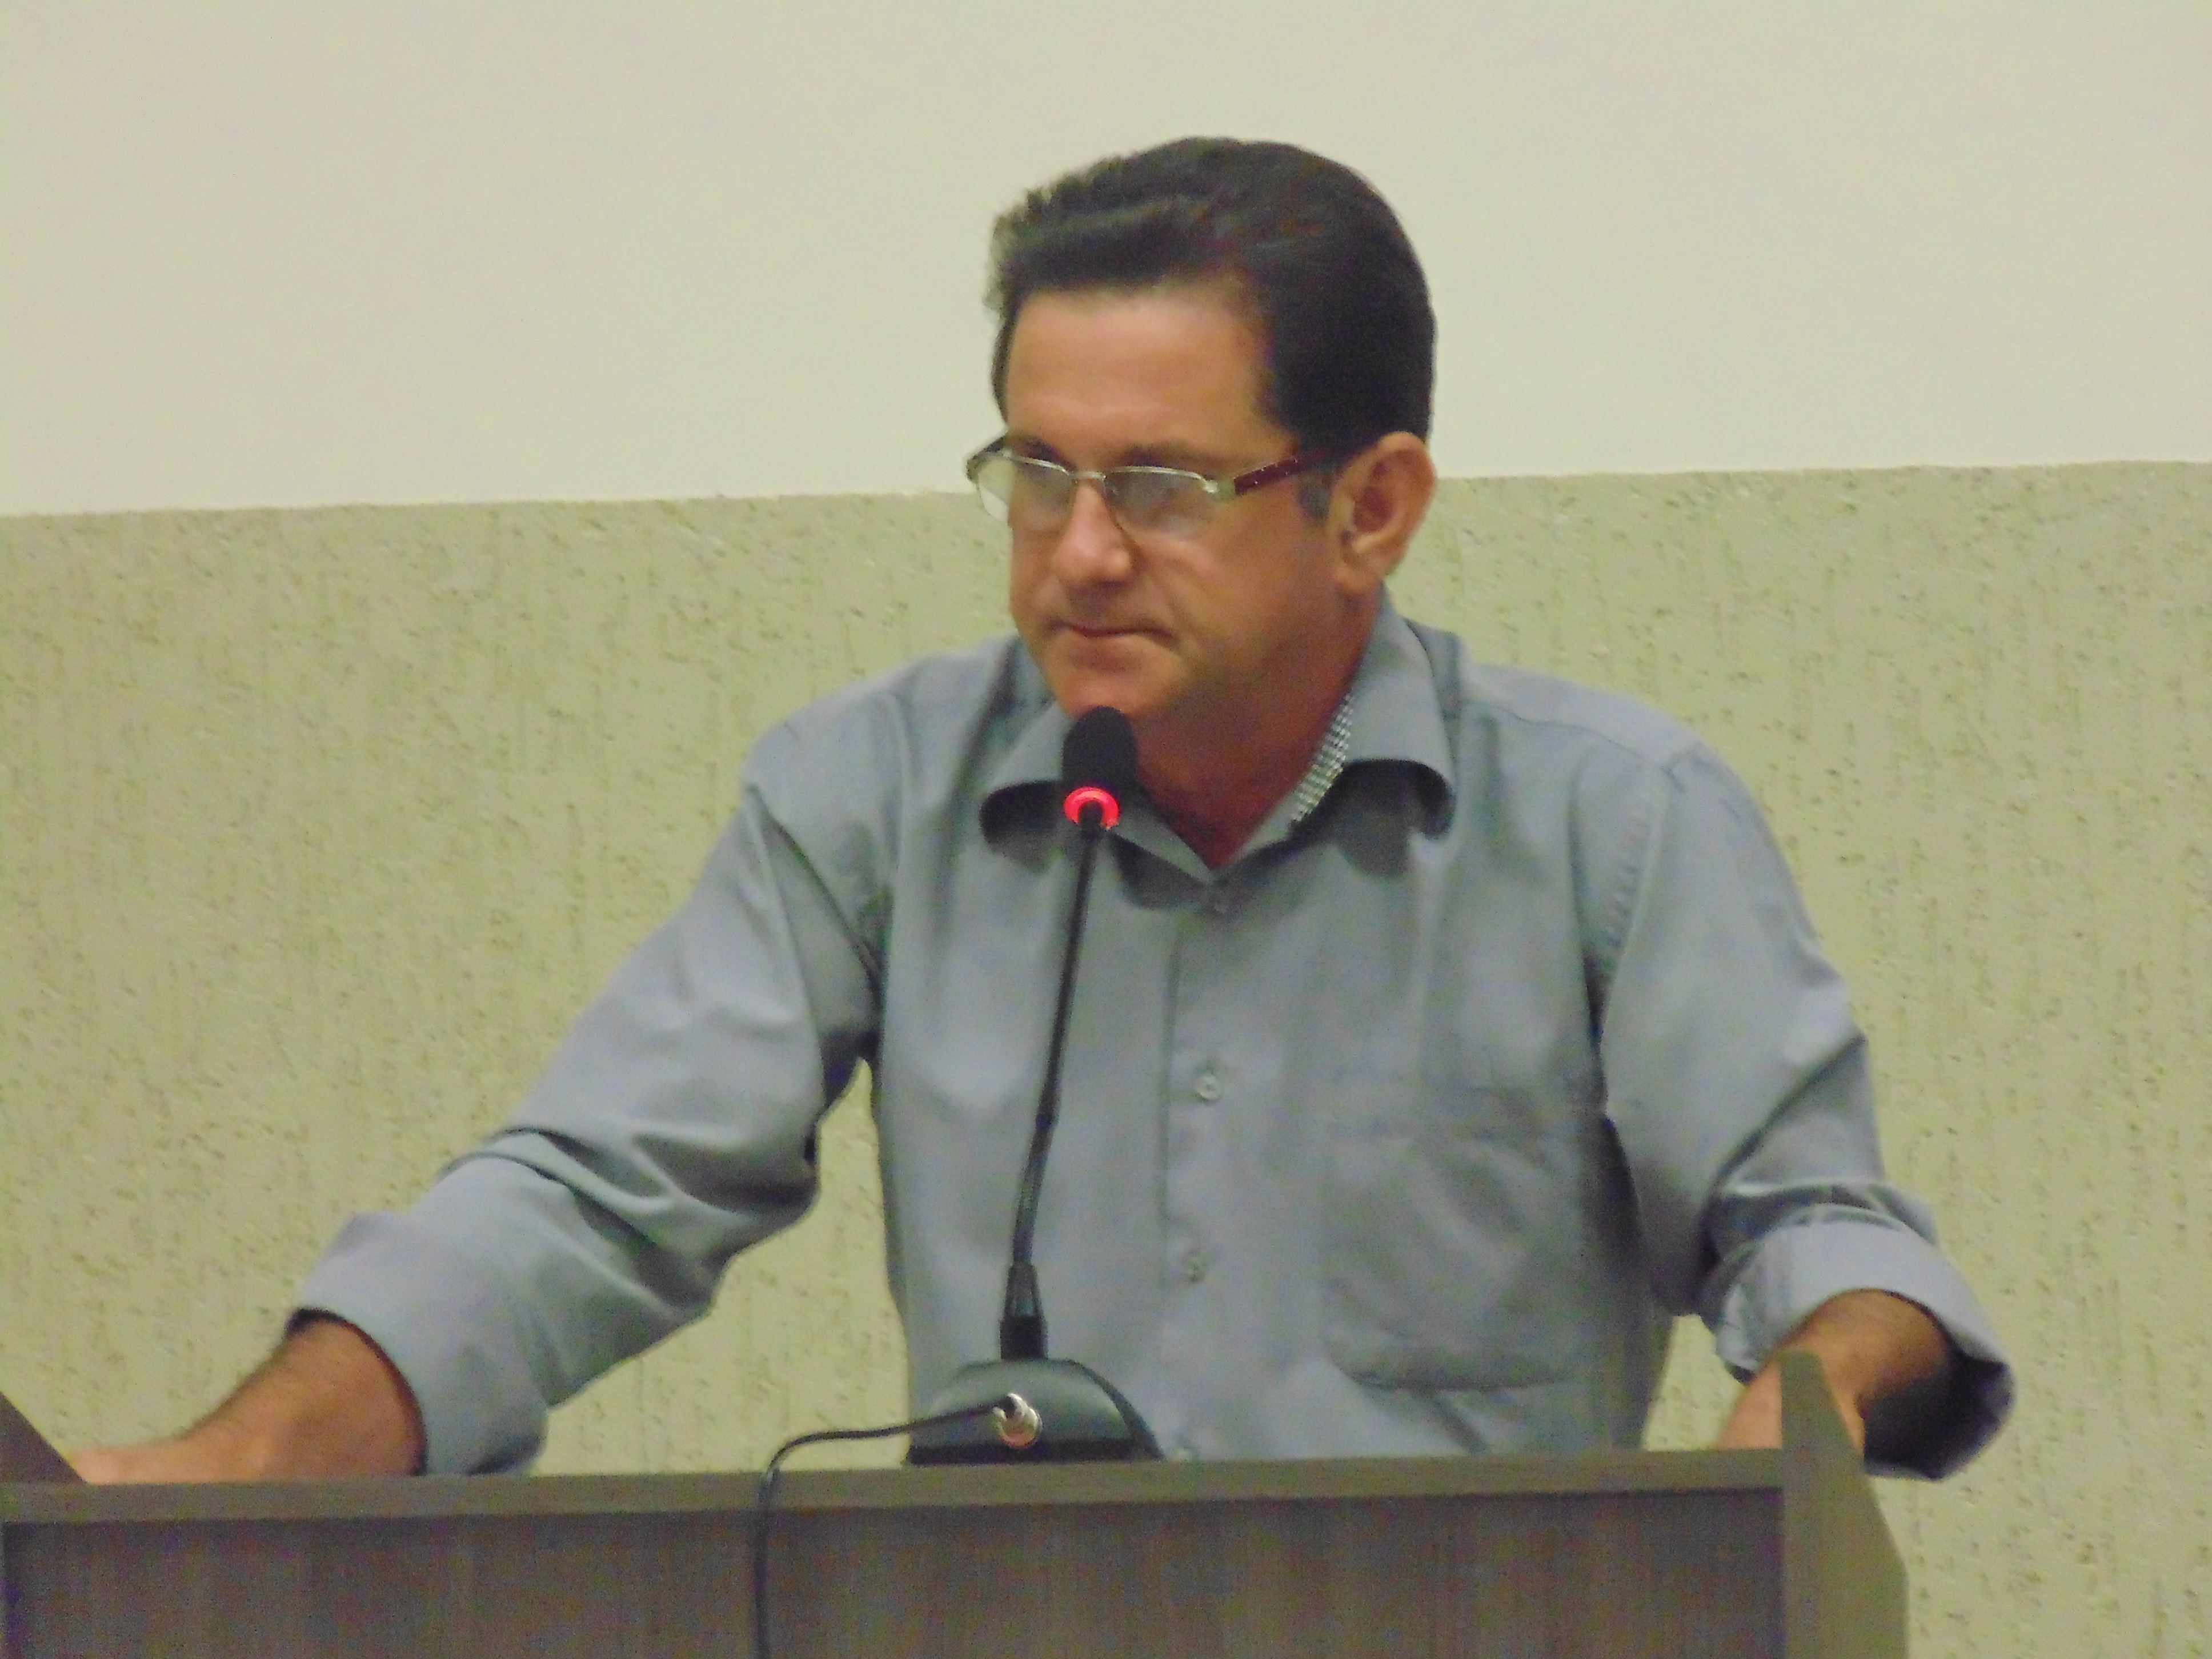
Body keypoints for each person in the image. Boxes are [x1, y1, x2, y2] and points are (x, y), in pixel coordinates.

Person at [77, 137, 2010, 1484]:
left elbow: (1821, 1238)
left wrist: (1788, 1440)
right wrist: (246, 1463)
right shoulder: (871, 793)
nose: (1080, 554)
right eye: (1037, 474)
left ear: (1371, 507)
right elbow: (587, 1199)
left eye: (1161, 487)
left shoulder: (1612, 824)